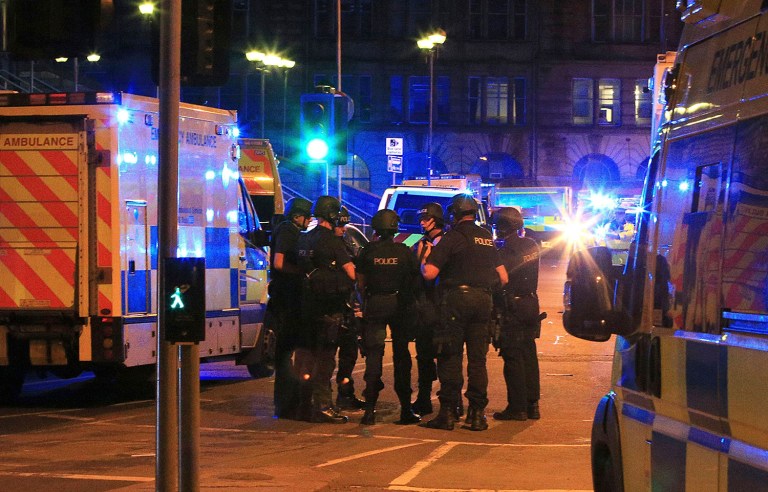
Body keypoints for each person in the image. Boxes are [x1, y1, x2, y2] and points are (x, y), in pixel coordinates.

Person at [420, 194, 508, 431]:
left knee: (450, 356)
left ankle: (448, 413)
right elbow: (503, 277)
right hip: (483, 301)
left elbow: (429, 273)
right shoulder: (487, 238)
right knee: (478, 360)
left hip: (456, 301)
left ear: (455, 214)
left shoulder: (453, 237)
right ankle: (477, 414)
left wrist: (424, 257)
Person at [357, 209, 422, 425]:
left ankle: (369, 411)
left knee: (374, 356)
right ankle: (405, 409)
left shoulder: (368, 251)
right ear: (395, 227)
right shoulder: (404, 251)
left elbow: (360, 282)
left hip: (375, 303)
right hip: (400, 305)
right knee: (401, 356)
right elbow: (415, 280)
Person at [295, 195, 356, 423]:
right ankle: (323, 405)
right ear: (332, 214)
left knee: (305, 358)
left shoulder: (304, 239)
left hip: (306, 307)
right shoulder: (332, 241)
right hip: (330, 309)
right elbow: (351, 271)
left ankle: (303, 405)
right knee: (325, 359)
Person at [490, 207, 543, 422]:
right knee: (529, 354)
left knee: (513, 356)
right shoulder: (532, 245)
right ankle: (532, 405)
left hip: (512, 307)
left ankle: (517, 407)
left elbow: (500, 279)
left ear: (504, 227)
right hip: (531, 304)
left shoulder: (503, 252)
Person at [268, 197, 312, 419]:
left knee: (288, 353)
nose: (309, 219)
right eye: (307, 216)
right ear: (297, 216)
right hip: (285, 298)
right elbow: (278, 262)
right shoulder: (287, 230)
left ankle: (288, 402)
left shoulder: (289, 230)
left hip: (287, 297)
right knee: (286, 353)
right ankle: (285, 405)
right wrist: (301, 273)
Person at [409, 202, 444, 416]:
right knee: (424, 355)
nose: (421, 222)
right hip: (426, 306)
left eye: (425, 218)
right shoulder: (422, 241)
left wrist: (423, 257)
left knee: (445, 355)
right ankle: (424, 398)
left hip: (439, 305)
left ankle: (449, 400)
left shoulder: (444, 243)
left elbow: (427, 275)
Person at [333, 206, 365, 410]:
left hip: (345, 305)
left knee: (349, 352)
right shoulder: (327, 243)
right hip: (331, 306)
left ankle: (345, 393)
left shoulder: (344, 242)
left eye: (345, 224)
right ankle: (322, 398)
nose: (343, 228)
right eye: (340, 224)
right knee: (326, 355)